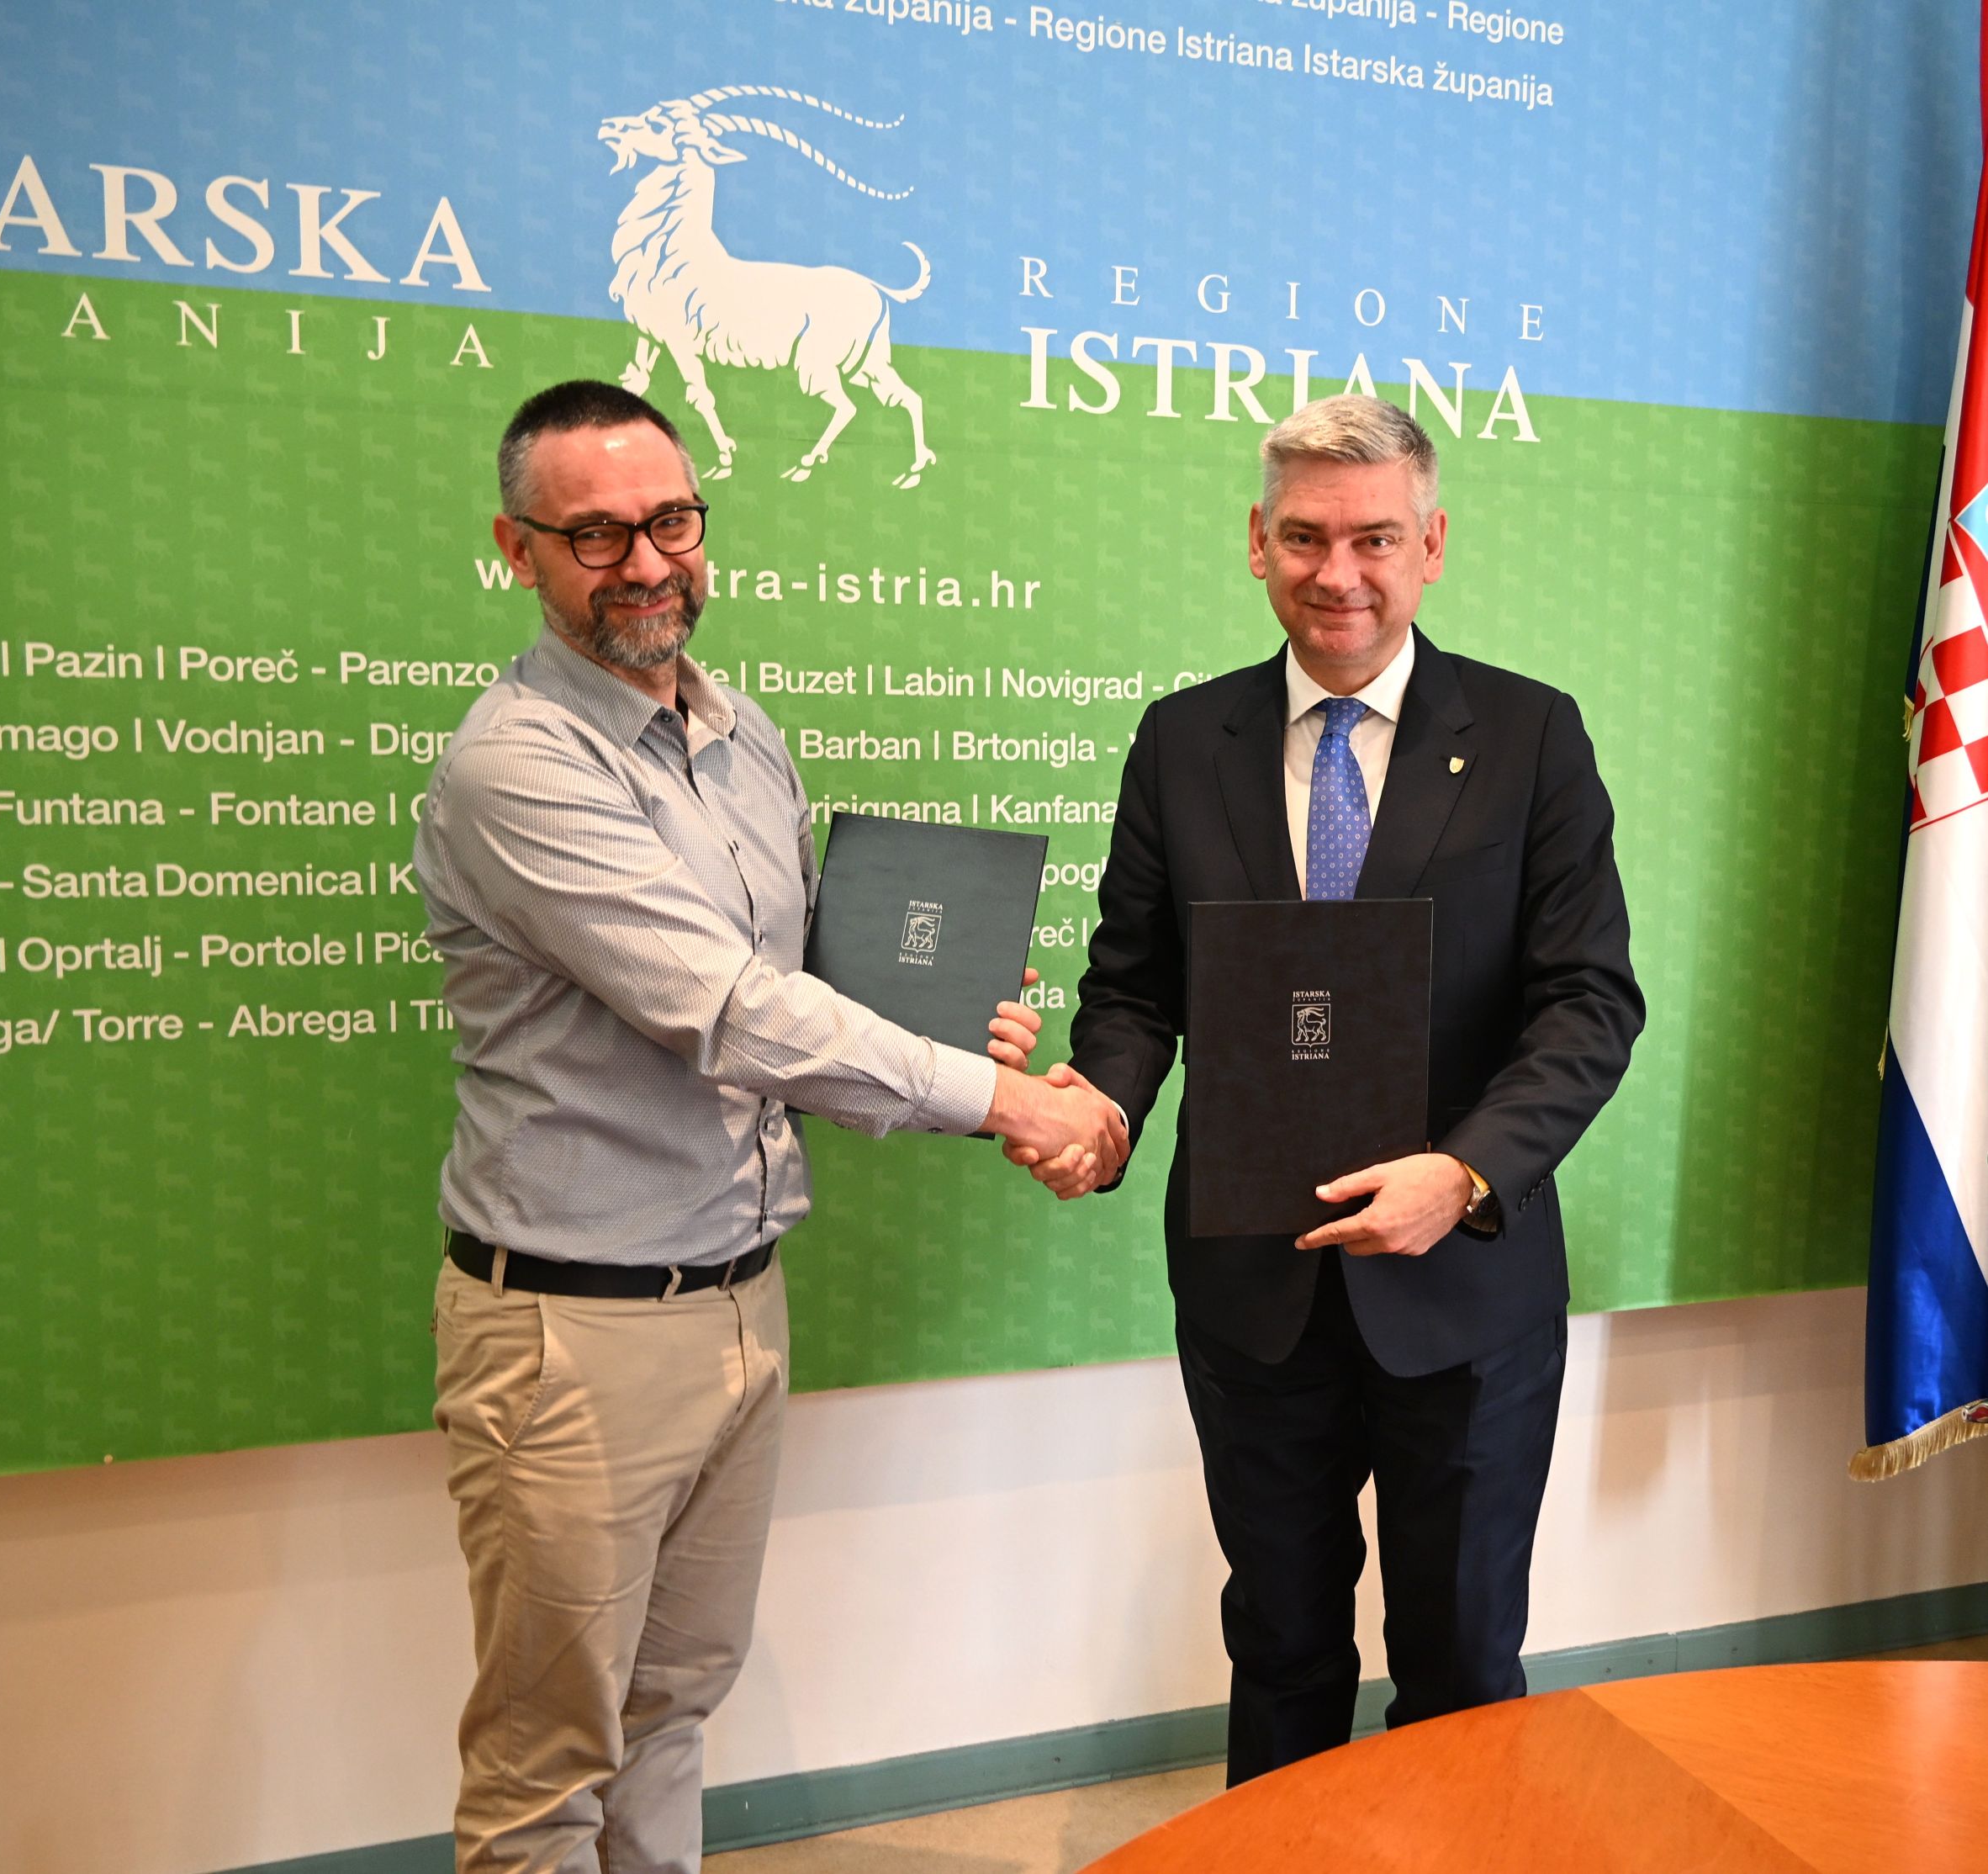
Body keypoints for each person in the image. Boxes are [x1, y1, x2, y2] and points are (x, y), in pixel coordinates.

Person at [414, 379, 1124, 1873]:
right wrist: (1011, 1103)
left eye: (670, 520)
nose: (646, 563)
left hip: (740, 1294)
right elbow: (733, 1013)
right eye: (595, 535)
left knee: (674, 1704)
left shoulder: (744, 736)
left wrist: (964, 1048)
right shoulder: (516, 764)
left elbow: (817, 994)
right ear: (516, 548)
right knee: (548, 1764)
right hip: (576, 1331)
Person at [1032, 395, 1645, 1782]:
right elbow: (1133, 987)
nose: (1338, 573)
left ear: (1432, 544)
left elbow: (1588, 1004)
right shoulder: (1184, 741)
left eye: (1374, 538)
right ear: (1258, 543)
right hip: (1254, 1285)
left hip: (1464, 1289)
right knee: (1282, 1649)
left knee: (1463, 1664)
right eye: (1305, 537)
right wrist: (1105, 1112)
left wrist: (1465, 1173)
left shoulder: (1532, 737)